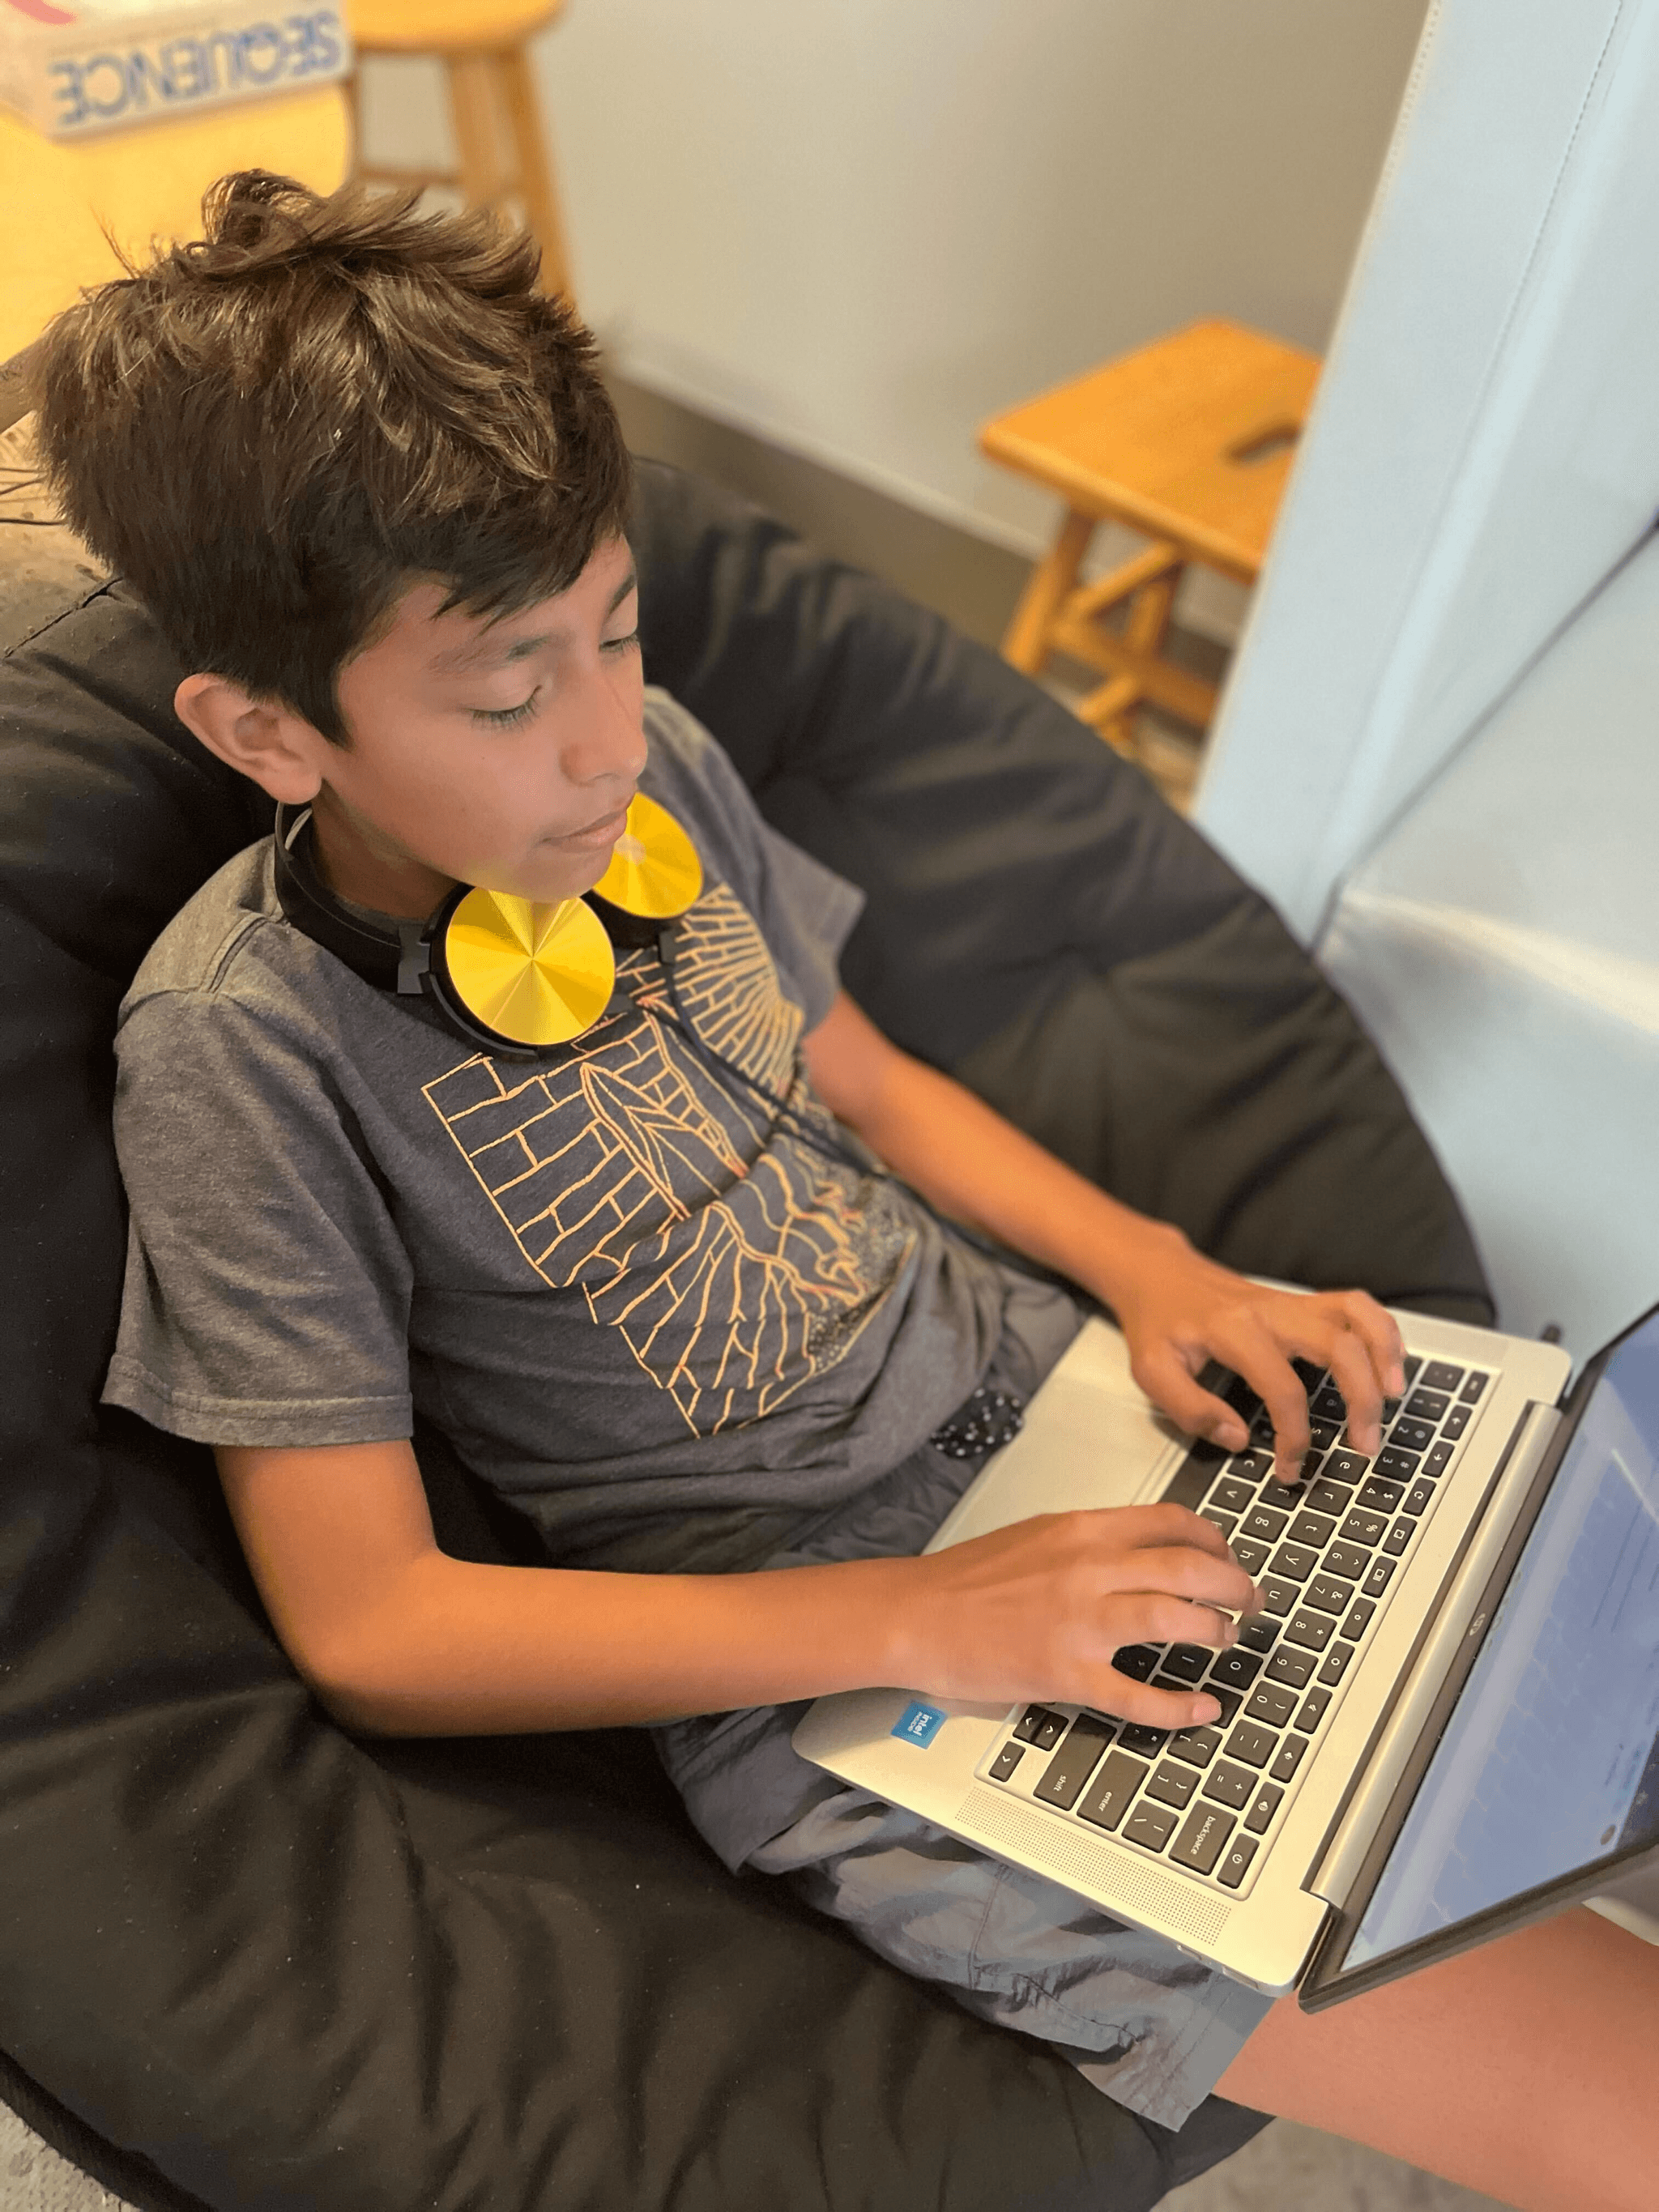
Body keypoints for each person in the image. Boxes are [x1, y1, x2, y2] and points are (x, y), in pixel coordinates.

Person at [33, 172, 1655, 2212]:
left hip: (1087, 1407)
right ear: (270, 734)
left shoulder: (660, 776)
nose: (604, 739)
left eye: (617, 632)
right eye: (509, 693)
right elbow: (371, 1624)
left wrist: (1159, 1273)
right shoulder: (241, 1054)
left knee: (1564, 1629)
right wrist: (927, 1619)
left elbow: (862, 1076)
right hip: (849, 1676)